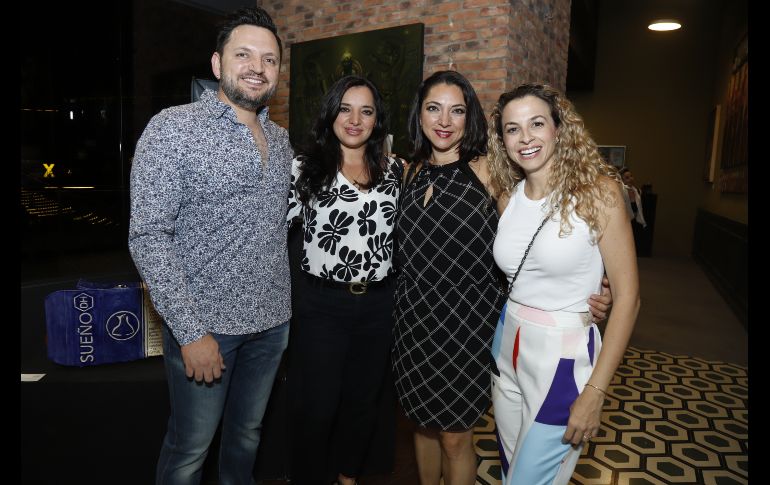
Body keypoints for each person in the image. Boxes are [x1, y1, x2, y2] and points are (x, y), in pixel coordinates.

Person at [391, 71, 612, 485]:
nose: (444, 120)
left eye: (457, 110)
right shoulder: (409, 172)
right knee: (421, 427)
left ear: (469, 117)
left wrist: (599, 282)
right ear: (418, 115)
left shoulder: (489, 171)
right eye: (433, 109)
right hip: (411, 326)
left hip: (466, 331)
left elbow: (536, 226)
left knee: (455, 439)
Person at [128, 7, 293, 484]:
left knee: (247, 438)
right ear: (218, 64)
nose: (257, 67)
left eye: (269, 59)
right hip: (205, 330)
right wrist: (190, 331)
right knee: (189, 450)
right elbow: (148, 236)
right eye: (243, 54)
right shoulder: (173, 129)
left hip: (272, 325)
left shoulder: (281, 139)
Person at [486, 83, 640, 484]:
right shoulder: (508, 197)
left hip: (564, 358)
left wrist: (595, 392)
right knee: (509, 470)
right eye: (512, 129)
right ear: (502, 140)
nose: (525, 138)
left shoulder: (599, 194)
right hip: (507, 344)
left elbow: (628, 299)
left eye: (537, 123)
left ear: (559, 128)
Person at [286, 75, 402, 485]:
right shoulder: (303, 166)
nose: (355, 119)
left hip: (378, 305)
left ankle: (348, 477)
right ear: (331, 113)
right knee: (317, 406)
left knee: (362, 403)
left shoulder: (395, 170)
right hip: (321, 306)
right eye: (345, 108)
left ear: (377, 120)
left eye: (366, 111)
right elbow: (272, 233)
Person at [619, 167, 647, 250]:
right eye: (627, 178)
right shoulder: (620, 191)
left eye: (631, 176)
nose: (630, 179)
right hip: (625, 222)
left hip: (636, 222)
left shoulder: (637, 191)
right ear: (622, 180)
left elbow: (639, 209)